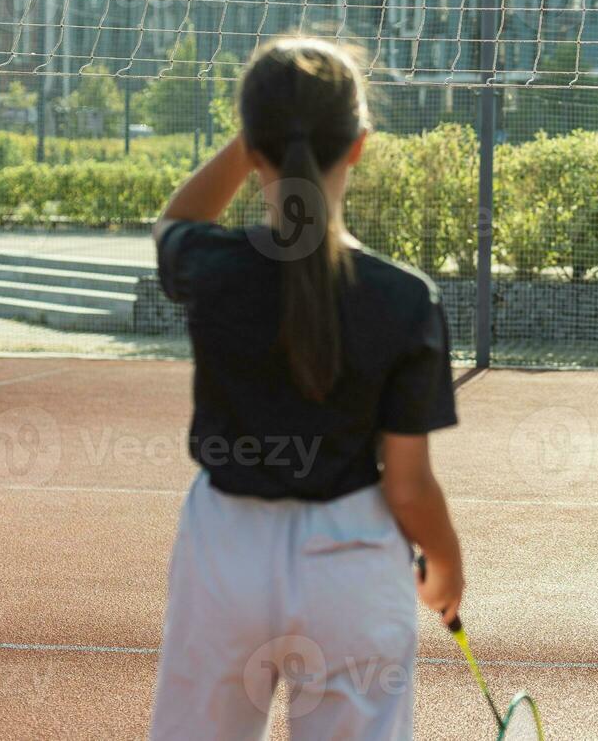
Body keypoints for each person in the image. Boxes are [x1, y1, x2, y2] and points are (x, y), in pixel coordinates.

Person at [148, 38, 464, 740]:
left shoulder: (211, 267)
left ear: (252, 148)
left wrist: (264, 133)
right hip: (351, 560)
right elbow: (408, 487)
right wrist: (446, 565)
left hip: (223, 554)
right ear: (358, 146)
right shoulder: (406, 299)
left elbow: (172, 223)